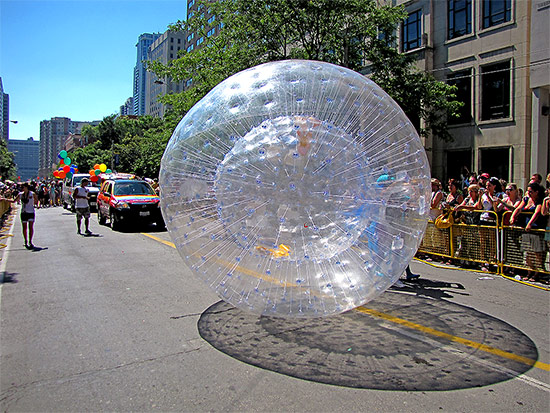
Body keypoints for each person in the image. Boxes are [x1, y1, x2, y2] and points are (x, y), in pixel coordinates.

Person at [510, 182, 548, 282]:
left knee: (537, 253)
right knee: (528, 253)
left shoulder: (539, 201)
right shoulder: (526, 199)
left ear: (537, 192)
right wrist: (513, 216)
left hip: (536, 229)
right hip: (526, 230)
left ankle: (537, 273)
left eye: (531, 192)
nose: (529, 193)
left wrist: (530, 224)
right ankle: (529, 271)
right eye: (528, 191)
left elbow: (537, 213)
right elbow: (518, 208)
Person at [8, 182, 38, 249]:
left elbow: (36, 200)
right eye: (21, 187)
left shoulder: (32, 194)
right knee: (24, 228)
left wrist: (35, 203)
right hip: (24, 212)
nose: (22, 189)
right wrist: (5, 200)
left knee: (30, 227)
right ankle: (25, 240)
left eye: (23, 187)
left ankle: (30, 241)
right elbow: (14, 201)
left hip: (30, 212)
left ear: (26, 187)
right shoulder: (20, 194)